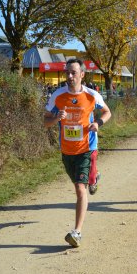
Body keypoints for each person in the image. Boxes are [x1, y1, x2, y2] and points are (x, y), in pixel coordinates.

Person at [44, 58, 112, 248]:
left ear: (82, 74)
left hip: (86, 148)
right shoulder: (58, 95)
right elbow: (45, 121)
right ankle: (94, 177)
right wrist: (56, 118)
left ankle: (77, 232)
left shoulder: (91, 95)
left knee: (80, 189)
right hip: (67, 151)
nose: (69, 76)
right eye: (67, 72)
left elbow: (107, 112)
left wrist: (98, 123)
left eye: (73, 72)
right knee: (80, 183)